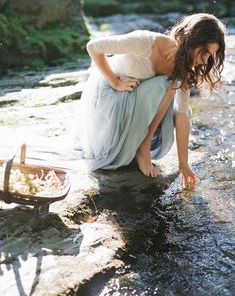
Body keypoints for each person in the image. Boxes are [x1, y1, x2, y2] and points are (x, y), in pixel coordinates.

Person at [75, 13, 226, 188]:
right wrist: (116, 82)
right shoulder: (146, 42)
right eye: (205, 53)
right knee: (167, 84)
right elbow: (94, 47)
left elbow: (182, 115)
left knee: (180, 101)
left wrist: (183, 164)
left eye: (210, 56)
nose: (205, 61)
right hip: (109, 100)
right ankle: (142, 149)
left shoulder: (182, 69)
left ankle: (143, 146)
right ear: (192, 39)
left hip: (133, 104)